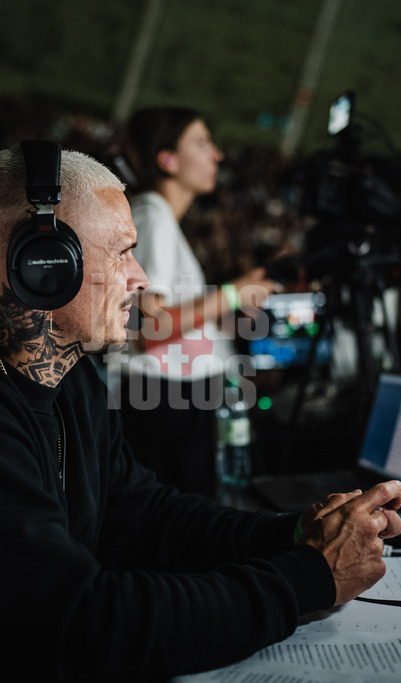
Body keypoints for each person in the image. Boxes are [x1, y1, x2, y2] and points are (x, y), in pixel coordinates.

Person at [0, 144, 401, 681]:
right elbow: (77, 625)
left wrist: (290, 535)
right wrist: (307, 579)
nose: (141, 277)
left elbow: (140, 514)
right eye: (122, 252)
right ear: (44, 267)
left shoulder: (68, 368)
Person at [111, 106, 278, 495]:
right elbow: (150, 329)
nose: (217, 154)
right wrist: (233, 293)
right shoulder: (153, 215)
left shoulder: (159, 218)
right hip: (163, 403)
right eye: (202, 143)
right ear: (168, 160)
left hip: (168, 401)